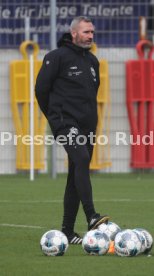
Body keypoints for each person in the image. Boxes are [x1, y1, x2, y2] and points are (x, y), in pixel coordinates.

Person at [35, 16, 109, 244]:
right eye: (86, 32)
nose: (90, 36)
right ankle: (92, 216)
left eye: (92, 33)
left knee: (76, 170)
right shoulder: (56, 57)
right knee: (82, 158)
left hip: (88, 125)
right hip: (65, 122)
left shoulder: (93, 61)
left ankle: (67, 230)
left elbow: (92, 93)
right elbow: (41, 90)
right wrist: (56, 120)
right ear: (74, 33)